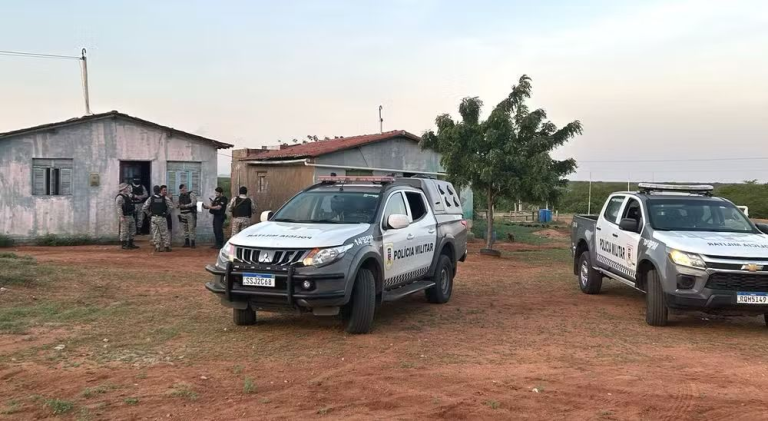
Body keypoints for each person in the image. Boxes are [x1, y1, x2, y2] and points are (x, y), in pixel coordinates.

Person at [143, 185, 174, 252]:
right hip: (162, 218)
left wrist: (149, 214)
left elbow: (144, 208)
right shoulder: (164, 198)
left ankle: (157, 246)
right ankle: (166, 246)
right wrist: (166, 213)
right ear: (160, 190)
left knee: (155, 232)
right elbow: (171, 206)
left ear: (153, 191)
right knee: (164, 232)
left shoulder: (151, 198)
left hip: (154, 218)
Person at [115, 183, 139, 250]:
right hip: (125, 216)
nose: (128, 188)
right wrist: (121, 216)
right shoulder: (120, 197)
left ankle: (130, 243)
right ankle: (124, 244)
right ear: (123, 188)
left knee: (132, 230)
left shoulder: (127, 195)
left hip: (130, 215)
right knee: (124, 231)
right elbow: (119, 207)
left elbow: (133, 197)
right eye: (126, 187)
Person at [177, 184, 198, 248]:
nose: (182, 191)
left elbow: (194, 203)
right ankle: (187, 242)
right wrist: (178, 205)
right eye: (181, 190)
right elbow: (180, 203)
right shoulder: (181, 196)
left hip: (190, 213)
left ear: (185, 188)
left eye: (183, 190)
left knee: (191, 228)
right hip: (183, 213)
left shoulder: (191, 194)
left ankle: (193, 243)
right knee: (185, 228)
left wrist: (185, 206)